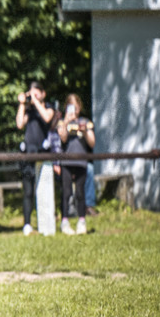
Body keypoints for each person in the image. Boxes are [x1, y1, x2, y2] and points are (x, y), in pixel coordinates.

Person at [15, 81, 55, 236]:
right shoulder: (29, 110)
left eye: (37, 91)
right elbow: (19, 124)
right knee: (28, 191)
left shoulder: (49, 107)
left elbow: (47, 118)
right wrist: (22, 104)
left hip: (43, 153)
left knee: (44, 190)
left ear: (43, 93)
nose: (34, 94)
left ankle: (45, 224)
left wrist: (36, 101)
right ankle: (27, 224)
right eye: (31, 91)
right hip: (28, 153)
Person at [58, 93, 95, 235]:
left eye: (76, 106)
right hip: (66, 162)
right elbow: (62, 138)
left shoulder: (86, 121)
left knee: (80, 192)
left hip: (81, 161)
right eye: (71, 106)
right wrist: (67, 122)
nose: (74, 109)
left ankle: (81, 221)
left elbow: (92, 142)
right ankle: (65, 221)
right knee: (66, 192)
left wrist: (85, 131)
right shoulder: (62, 122)